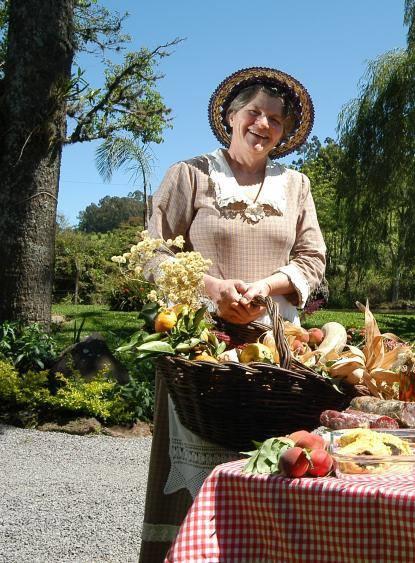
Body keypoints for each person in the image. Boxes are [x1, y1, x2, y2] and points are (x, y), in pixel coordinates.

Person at [139, 67, 323, 562]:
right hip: (200, 347)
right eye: (254, 113)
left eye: (276, 120)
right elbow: (153, 254)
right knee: (198, 468)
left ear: (284, 133)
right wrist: (213, 288)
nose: (263, 125)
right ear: (230, 117)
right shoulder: (191, 175)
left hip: (278, 352)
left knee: (271, 467)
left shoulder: (296, 186)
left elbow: (312, 260)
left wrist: (264, 287)